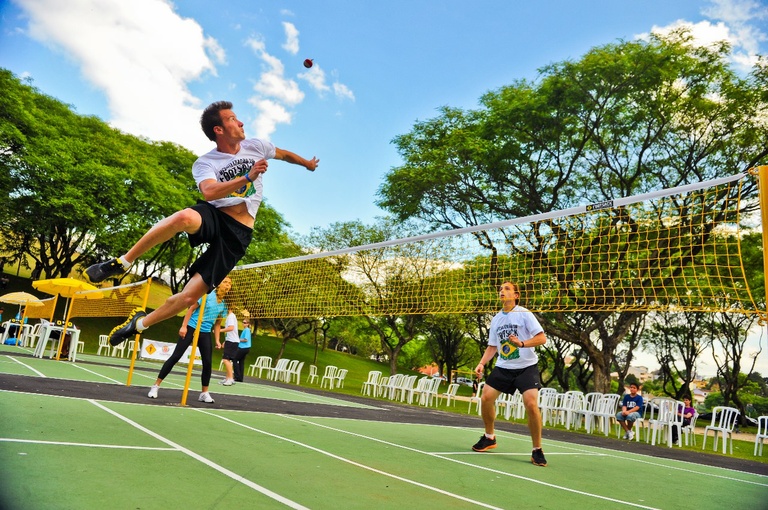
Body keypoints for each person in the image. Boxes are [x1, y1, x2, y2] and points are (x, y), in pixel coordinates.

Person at [85, 100, 319, 346]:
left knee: (188, 298)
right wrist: (247, 177)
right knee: (184, 217)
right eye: (232, 119)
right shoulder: (206, 162)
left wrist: (306, 163)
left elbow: (284, 154)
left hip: (238, 235)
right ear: (219, 130)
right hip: (216, 215)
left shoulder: (256, 146)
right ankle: (123, 262)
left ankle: (139, 324)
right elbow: (209, 192)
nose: (240, 122)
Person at [472, 281, 548, 467]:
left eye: (507, 289)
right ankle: (490, 437)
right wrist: (482, 363)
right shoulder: (497, 319)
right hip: (504, 366)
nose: (502, 292)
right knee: (486, 397)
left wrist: (521, 344)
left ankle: (537, 449)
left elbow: (542, 338)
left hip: (526, 366)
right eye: (500, 289)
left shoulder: (524, 313)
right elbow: (492, 346)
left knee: (531, 404)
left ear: (516, 295)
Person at [147, 276, 231, 403]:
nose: (228, 285)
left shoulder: (224, 304)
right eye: (225, 282)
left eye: (230, 283)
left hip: (205, 332)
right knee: (176, 356)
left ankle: (204, 393)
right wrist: (184, 326)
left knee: (207, 363)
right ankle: (156, 386)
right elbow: (191, 309)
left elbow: (218, 324)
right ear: (219, 285)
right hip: (192, 327)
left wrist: (218, 340)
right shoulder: (207, 296)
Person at [218, 309, 239, 386]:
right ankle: (228, 378)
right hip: (230, 341)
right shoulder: (230, 316)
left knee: (225, 360)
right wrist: (225, 341)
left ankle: (230, 379)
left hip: (232, 341)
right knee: (227, 360)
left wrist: (219, 330)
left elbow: (231, 328)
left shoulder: (230, 316)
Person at [233, 317, 252, 382]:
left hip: (243, 348)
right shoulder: (246, 330)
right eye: (243, 322)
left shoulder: (247, 330)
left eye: (245, 323)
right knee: (241, 362)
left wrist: (238, 339)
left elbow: (245, 339)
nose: (243, 324)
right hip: (245, 348)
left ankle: (237, 376)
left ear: (248, 324)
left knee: (234, 359)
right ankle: (240, 378)